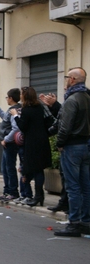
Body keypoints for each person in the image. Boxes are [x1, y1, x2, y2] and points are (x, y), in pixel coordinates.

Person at [53, 67, 90, 237]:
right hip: (86, 145)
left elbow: (65, 126)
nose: (66, 80)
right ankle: (85, 221)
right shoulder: (87, 97)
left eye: (68, 77)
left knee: (73, 186)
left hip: (73, 146)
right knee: (85, 186)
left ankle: (74, 222)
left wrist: (60, 143)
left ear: (73, 80)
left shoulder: (72, 100)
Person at [10, 86, 51, 207]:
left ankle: (37, 196)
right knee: (39, 169)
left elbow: (22, 126)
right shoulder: (40, 107)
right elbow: (49, 122)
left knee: (34, 169)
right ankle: (39, 196)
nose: (20, 96)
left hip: (32, 143)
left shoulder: (27, 110)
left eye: (22, 94)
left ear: (25, 96)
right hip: (42, 141)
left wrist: (15, 115)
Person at [39, 93, 69, 213]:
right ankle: (64, 202)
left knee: (71, 179)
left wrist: (60, 143)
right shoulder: (71, 101)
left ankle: (72, 208)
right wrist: (52, 106)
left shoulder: (76, 100)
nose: (65, 89)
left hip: (72, 146)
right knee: (65, 177)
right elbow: (59, 120)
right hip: (68, 146)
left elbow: (65, 123)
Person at [0, 88, 21, 201]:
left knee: (9, 167)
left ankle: (12, 191)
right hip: (8, 143)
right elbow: (6, 119)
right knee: (5, 167)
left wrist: (6, 139)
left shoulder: (15, 110)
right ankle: (7, 190)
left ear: (11, 98)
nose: (7, 99)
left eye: (7, 97)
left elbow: (16, 128)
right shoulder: (13, 109)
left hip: (10, 143)